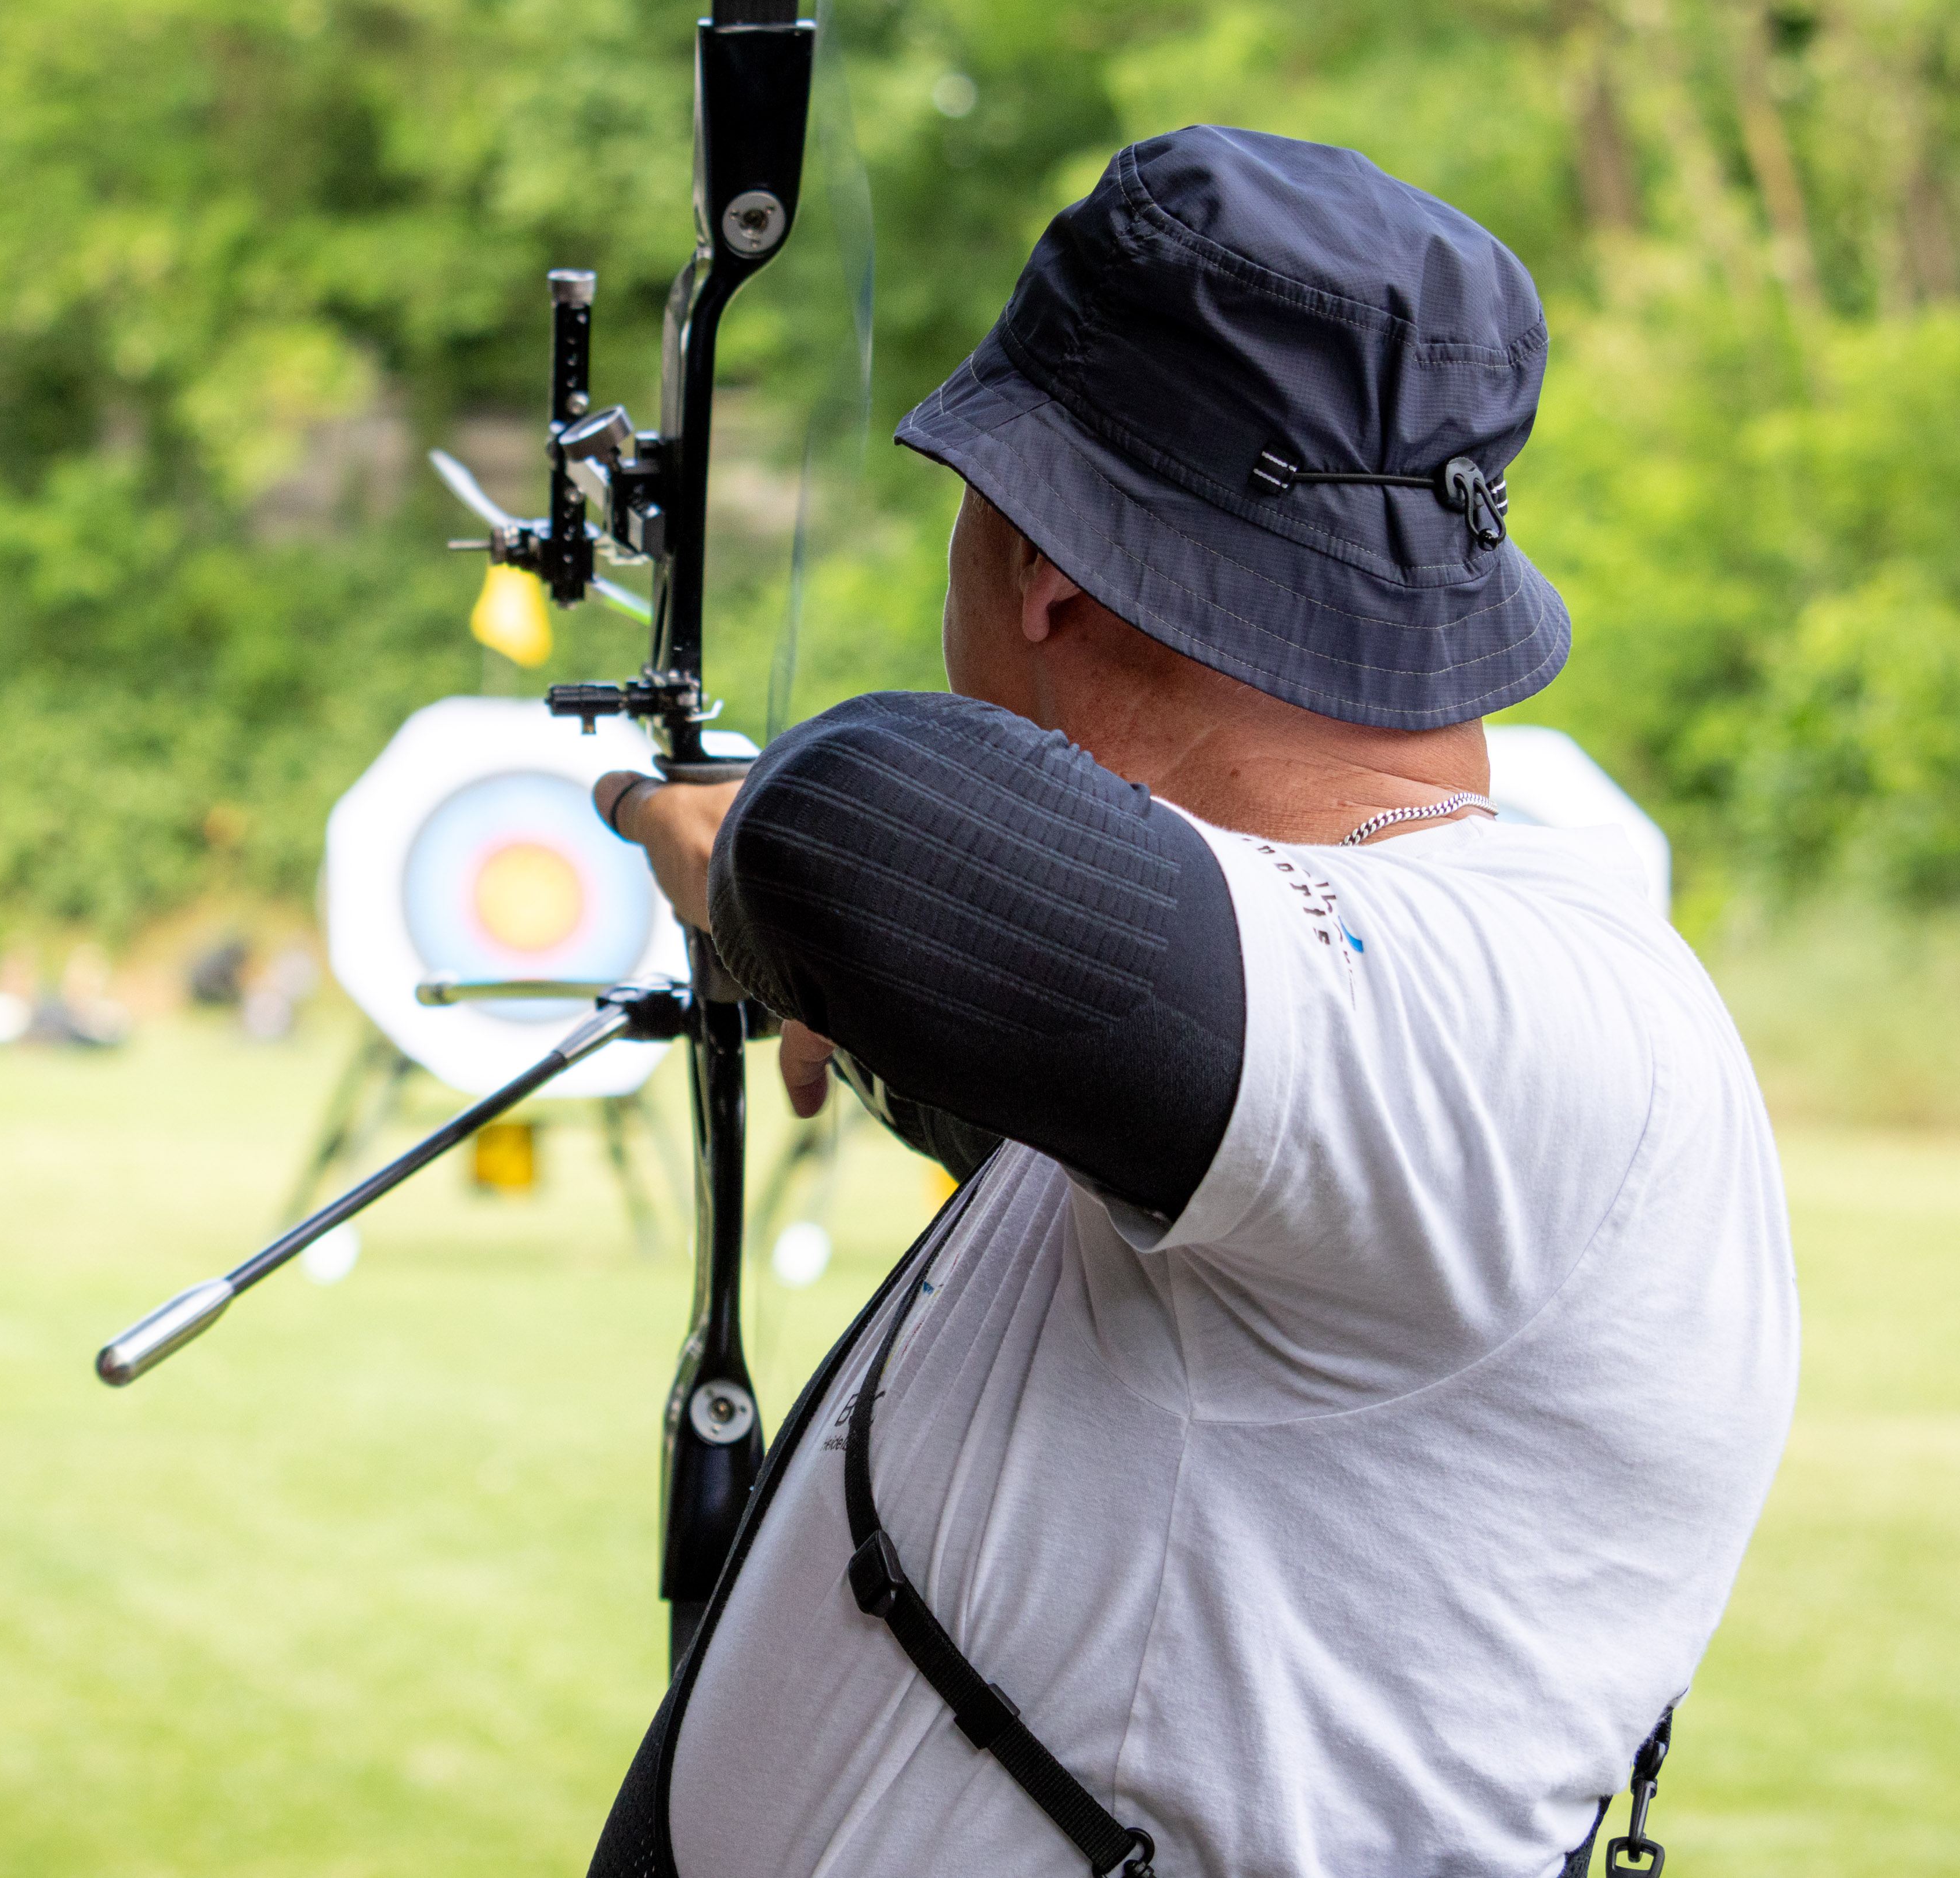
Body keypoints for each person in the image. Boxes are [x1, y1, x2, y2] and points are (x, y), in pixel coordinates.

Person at [581, 127, 1798, 1878]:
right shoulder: (1306, 1062)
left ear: (1042, 568)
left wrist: (759, 859)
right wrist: (778, 916)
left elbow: (866, 831)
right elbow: (1039, 1107)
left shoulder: (1536, 1007)